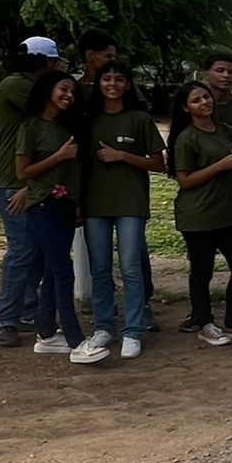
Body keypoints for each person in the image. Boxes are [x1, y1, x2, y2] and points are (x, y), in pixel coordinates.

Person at [13, 70, 110, 365]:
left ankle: (46, 334)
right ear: (47, 90)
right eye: (63, 90)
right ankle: (77, 341)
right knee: (63, 271)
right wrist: (59, 156)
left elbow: (73, 170)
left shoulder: (67, 128)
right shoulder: (30, 127)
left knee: (54, 272)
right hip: (42, 206)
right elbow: (22, 172)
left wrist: (77, 203)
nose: (68, 96)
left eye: (72, 92)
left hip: (66, 205)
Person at [81, 61, 165, 359]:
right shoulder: (88, 120)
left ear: (128, 85)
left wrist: (122, 156)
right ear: (99, 83)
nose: (113, 83)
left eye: (119, 79)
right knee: (100, 269)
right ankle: (104, 326)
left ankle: (133, 330)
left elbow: (158, 164)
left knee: (131, 268)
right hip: (95, 204)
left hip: (131, 203)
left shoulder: (139, 119)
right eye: (107, 78)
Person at [168, 80, 232, 346]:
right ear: (186, 108)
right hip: (198, 216)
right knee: (202, 271)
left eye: (206, 97)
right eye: (196, 100)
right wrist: (219, 166)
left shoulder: (223, 131)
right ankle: (204, 321)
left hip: (228, 212)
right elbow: (184, 180)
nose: (204, 103)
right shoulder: (186, 138)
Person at [0, 38, 58, 348]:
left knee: (35, 249)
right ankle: (8, 318)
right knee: (23, 249)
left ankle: (28, 310)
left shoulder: (19, 83)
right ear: (47, 62)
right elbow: (56, 109)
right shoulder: (19, 86)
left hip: (27, 176)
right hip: (14, 180)